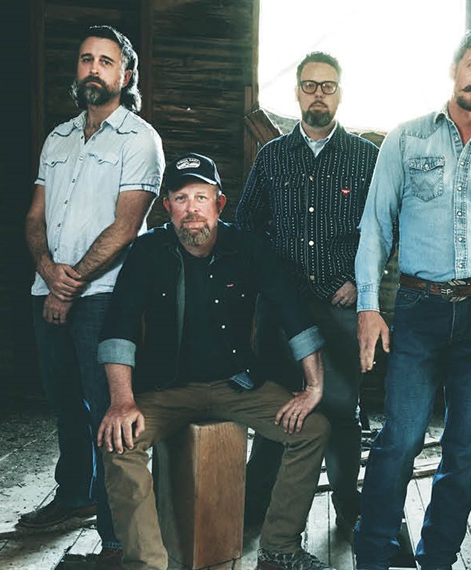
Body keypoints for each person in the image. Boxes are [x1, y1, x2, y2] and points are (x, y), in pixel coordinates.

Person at [353, 29, 471, 570]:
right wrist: (369, 307)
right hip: (418, 309)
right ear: (455, 68)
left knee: (465, 447)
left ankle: (438, 556)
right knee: (401, 438)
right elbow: (376, 227)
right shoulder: (407, 139)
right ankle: (373, 552)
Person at [96, 153, 333, 570]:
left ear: (219, 204)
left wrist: (313, 387)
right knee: (119, 442)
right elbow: (120, 327)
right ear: (166, 206)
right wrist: (121, 400)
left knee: (313, 429)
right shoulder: (147, 251)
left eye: (201, 197)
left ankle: (279, 547)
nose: (192, 209)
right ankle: (149, 563)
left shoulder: (248, 247)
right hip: (166, 389)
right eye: (181, 198)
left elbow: (293, 314)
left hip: (236, 385)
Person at [22, 24, 163, 568]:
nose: (93, 69)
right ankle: (72, 494)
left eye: (106, 61)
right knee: (63, 403)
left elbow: (127, 226)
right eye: (86, 60)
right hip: (47, 288)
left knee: (107, 411)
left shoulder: (139, 139)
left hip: (102, 295)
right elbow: (35, 217)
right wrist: (47, 271)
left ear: (124, 76)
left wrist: (71, 281)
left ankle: (114, 528)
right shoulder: (56, 139)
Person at [236, 51, 379, 534]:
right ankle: (258, 509)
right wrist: (267, 290)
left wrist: (359, 281)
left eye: (329, 86)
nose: (319, 94)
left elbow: (384, 228)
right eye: (310, 85)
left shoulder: (365, 157)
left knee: (341, 410)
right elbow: (247, 229)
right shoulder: (272, 157)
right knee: (279, 406)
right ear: (297, 91)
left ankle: (347, 508)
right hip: (282, 310)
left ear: (340, 92)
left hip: (340, 306)